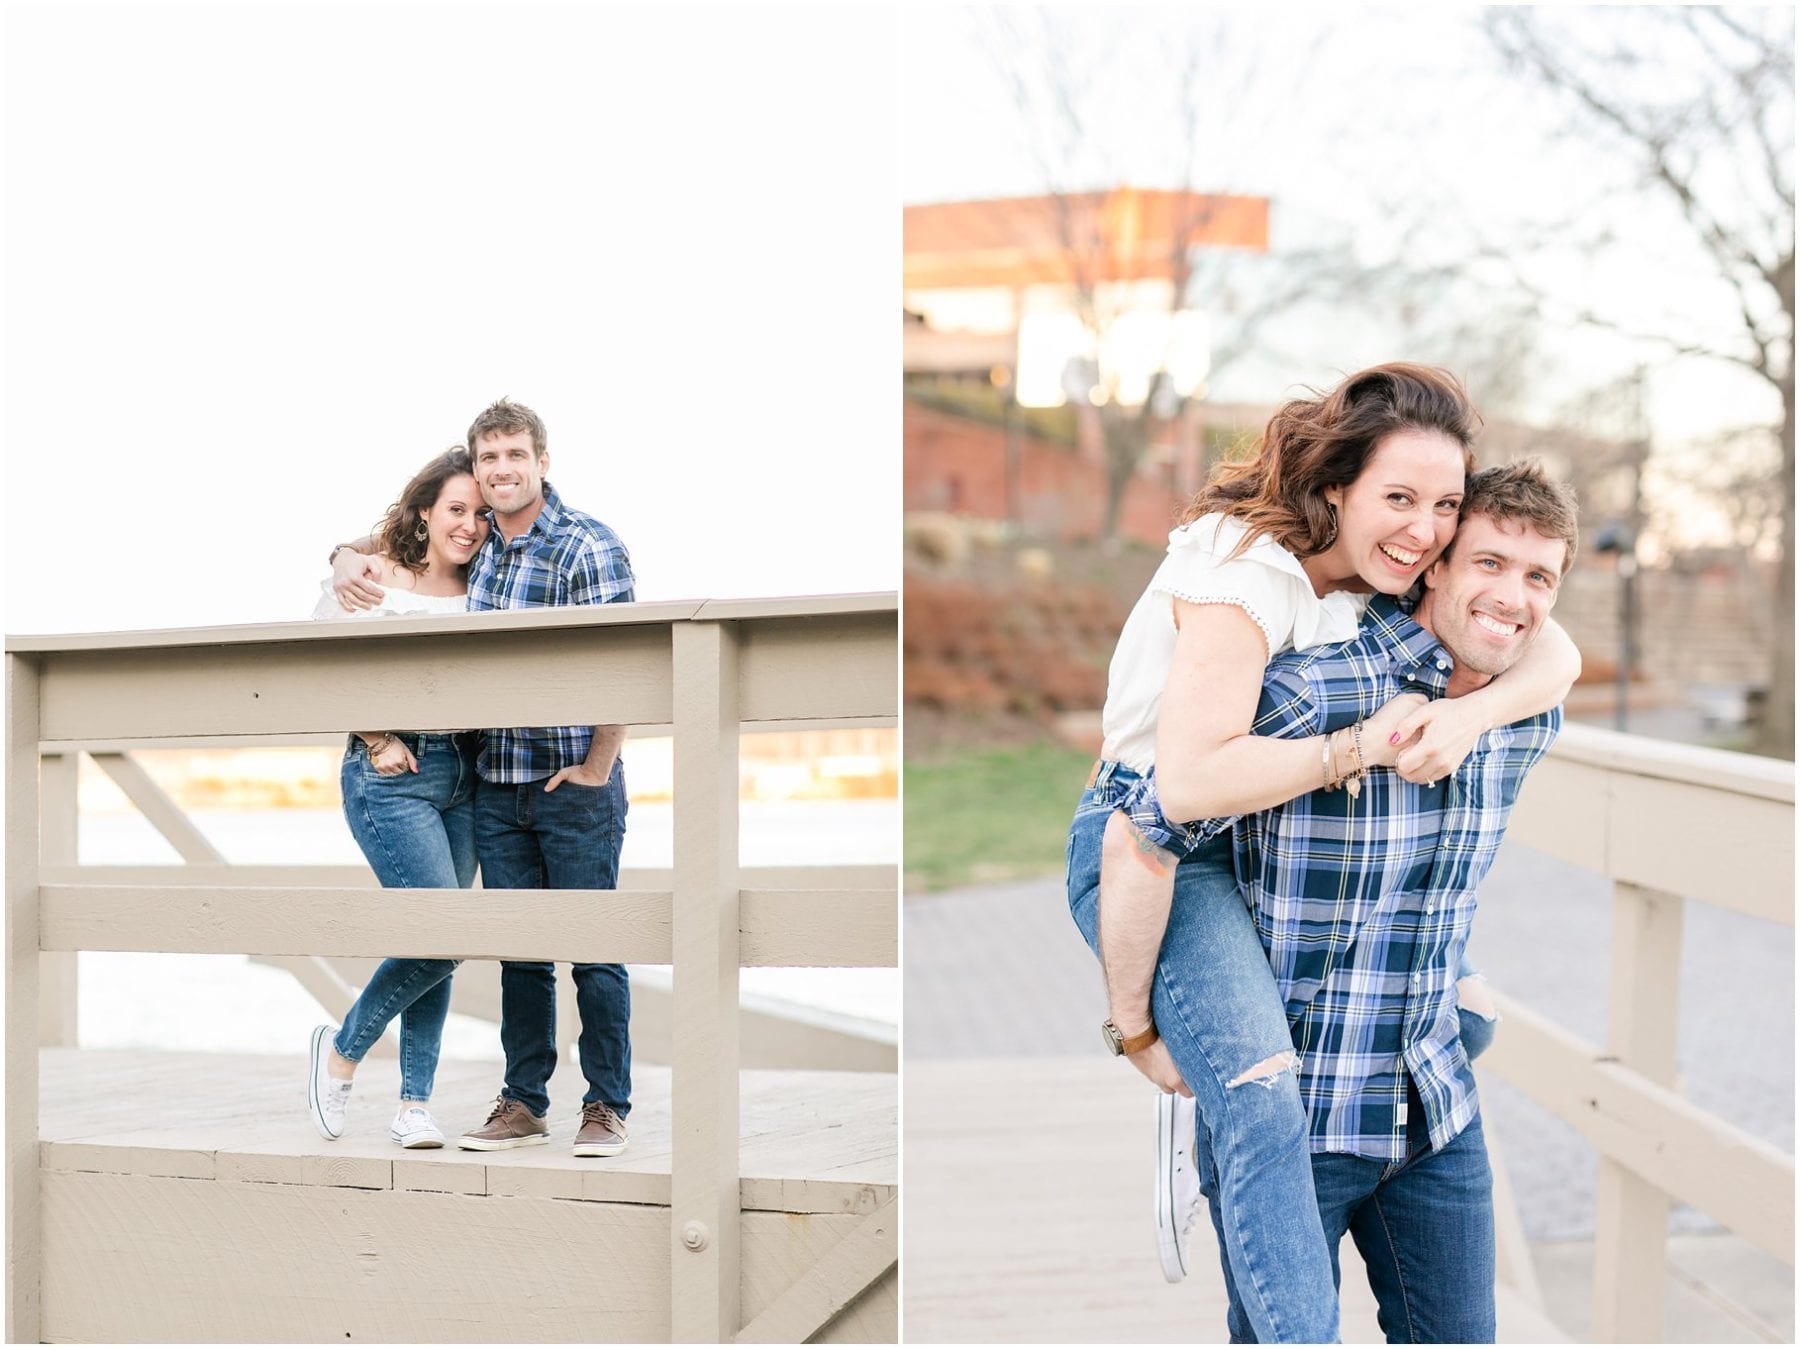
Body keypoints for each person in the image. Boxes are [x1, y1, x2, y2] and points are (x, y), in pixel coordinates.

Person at [1066, 365, 1580, 1342]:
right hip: (1150, 826)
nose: (1423, 527)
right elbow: (1171, 801)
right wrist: (1135, 1030)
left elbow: (1551, 649)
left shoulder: (1372, 588)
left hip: (1242, 846)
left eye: (1441, 506)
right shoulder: (1251, 577)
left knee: (1462, 1012)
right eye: (1399, 498)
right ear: (1337, 485)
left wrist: (1478, 713)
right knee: (1259, 1086)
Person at [330, 398, 635, 1159]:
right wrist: (341, 553)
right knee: (518, 955)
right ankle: (524, 1102)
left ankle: (605, 1106)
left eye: (513, 456)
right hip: (494, 782)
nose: (501, 471)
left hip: (573, 783)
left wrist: (598, 766)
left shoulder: (586, 544)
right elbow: (405, 532)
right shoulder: (485, 540)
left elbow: (627, 662)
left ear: (542, 461)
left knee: (594, 950)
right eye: (489, 457)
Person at [306, 448, 490, 1148]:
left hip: (465, 772)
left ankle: (415, 1103)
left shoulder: (487, 582)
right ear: (424, 510)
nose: (468, 524)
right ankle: (342, 1052)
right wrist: (377, 732)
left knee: (438, 940)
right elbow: (323, 661)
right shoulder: (374, 576)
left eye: (478, 513)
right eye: (454, 509)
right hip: (391, 770)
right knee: (440, 932)